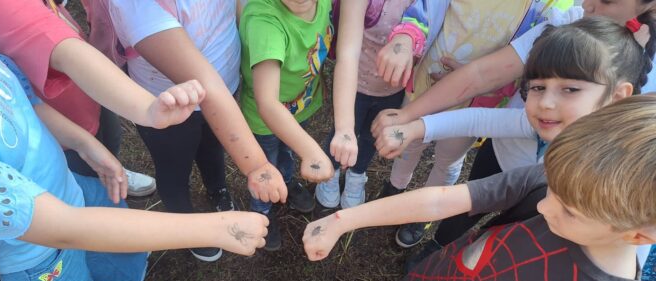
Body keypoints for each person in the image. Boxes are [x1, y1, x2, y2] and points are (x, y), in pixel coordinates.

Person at [0, 0, 268, 281]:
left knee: (112, 250)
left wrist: (83, 143)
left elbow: (18, 100)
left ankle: (121, 278)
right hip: (27, 257)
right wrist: (216, 227)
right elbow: (65, 229)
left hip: (66, 188)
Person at [302, 94, 656, 281]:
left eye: (569, 211)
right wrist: (342, 221)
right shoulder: (559, 182)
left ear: (638, 235)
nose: (546, 207)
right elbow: (441, 201)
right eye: (552, 191)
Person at [371, 0, 656, 249]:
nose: (586, 5)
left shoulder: (608, 151)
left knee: (504, 235)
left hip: (548, 203)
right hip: (505, 159)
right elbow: (485, 107)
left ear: (619, 95)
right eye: (536, 86)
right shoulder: (541, 111)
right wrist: (412, 123)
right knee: (466, 215)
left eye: (570, 90)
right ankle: (438, 246)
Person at [106, 0, 288, 262]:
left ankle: (217, 191)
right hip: (167, 103)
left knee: (213, 149)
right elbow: (204, 84)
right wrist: (257, 165)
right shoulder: (137, 5)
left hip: (224, 83)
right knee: (173, 169)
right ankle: (188, 227)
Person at [0, 0, 159, 198]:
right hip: (56, 112)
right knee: (84, 172)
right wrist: (147, 108)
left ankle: (115, 173)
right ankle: (102, 187)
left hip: (86, 88)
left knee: (107, 139)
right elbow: (58, 45)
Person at [239, 0, 335, 250]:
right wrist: (312, 151)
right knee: (265, 165)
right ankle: (262, 211)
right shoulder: (264, 21)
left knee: (287, 151)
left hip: (300, 107)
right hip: (264, 121)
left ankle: (288, 180)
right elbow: (268, 104)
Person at [314, 0, 421, 210]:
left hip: (393, 91)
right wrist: (344, 130)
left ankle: (357, 173)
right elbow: (348, 54)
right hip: (355, 86)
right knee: (343, 131)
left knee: (371, 136)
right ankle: (331, 170)